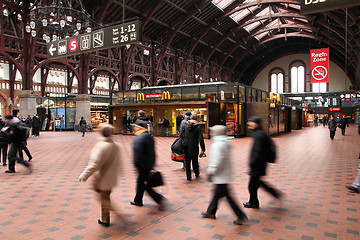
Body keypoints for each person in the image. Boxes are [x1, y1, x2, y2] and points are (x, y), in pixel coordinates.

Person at [201, 125, 248, 225]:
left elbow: (217, 161)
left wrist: (211, 171)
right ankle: (210, 212)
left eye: (212, 132)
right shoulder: (225, 142)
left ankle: (241, 216)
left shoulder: (218, 144)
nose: (211, 133)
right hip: (225, 174)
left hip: (220, 175)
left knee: (226, 196)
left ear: (216, 133)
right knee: (218, 194)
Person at [79, 123, 123, 227]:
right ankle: (105, 219)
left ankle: (117, 213)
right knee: (105, 197)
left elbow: (94, 164)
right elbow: (118, 162)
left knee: (103, 198)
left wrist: (84, 176)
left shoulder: (101, 146)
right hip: (111, 176)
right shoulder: (116, 145)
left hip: (102, 177)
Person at [243, 116, 281, 209]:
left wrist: (252, 162)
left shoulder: (259, 135)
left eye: (251, 122)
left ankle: (254, 202)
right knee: (256, 183)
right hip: (261, 163)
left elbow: (258, 151)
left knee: (252, 185)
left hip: (258, 164)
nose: (249, 124)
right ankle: (274, 194)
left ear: (257, 124)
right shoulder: (260, 133)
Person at [130, 119, 166, 210]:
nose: (133, 128)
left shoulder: (140, 137)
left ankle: (159, 199)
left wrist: (137, 164)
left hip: (142, 165)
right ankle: (138, 200)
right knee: (141, 182)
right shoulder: (148, 136)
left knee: (144, 185)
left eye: (135, 126)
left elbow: (138, 152)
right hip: (147, 164)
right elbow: (152, 152)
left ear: (139, 128)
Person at [181, 113, 206, 181]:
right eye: (199, 119)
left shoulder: (185, 125)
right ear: (196, 119)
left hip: (186, 146)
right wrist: (203, 149)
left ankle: (188, 177)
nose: (199, 120)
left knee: (187, 162)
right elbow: (200, 139)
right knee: (195, 161)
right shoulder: (197, 127)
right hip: (194, 146)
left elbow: (181, 135)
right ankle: (196, 173)